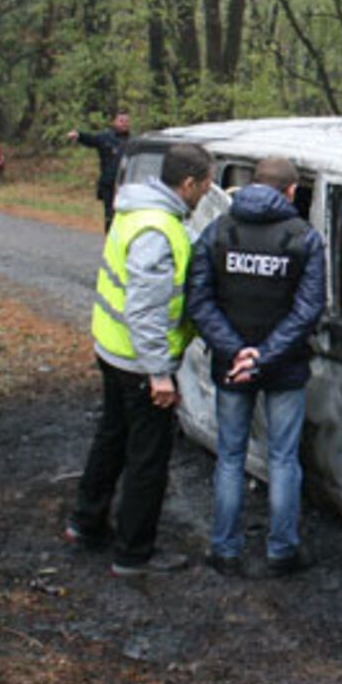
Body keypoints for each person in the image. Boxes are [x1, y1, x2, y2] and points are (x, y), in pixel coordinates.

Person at [62, 142, 213, 576]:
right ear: (188, 184)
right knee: (148, 457)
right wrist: (159, 374)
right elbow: (145, 310)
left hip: (112, 351)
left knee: (110, 438)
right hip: (138, 362)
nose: (207, 192)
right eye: (205, 183)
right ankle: (134, 552)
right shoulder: (157, 230)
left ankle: (85, 523)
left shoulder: (137, 211)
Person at [186, 157, 325, 578]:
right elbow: (308, 310)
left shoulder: (218, 232)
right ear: (291, 191)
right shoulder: (304, 237)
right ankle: (282, 550)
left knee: (230, 457)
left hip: (232, 367)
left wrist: (237, 352)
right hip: (284, 368)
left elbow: (199, 300)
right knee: (283, 460)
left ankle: (224, 549)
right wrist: (264, 354)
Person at [67, 111, 132, 231]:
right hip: (109, 183)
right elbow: (91, 139)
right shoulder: (106, 138)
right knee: (110, 215)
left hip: (126, 185)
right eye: (121, 121)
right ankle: (110, 242)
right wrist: (78, 136)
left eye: (127, 121)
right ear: (114, 122)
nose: (124, 124)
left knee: (125, 215)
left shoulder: (133, 142)